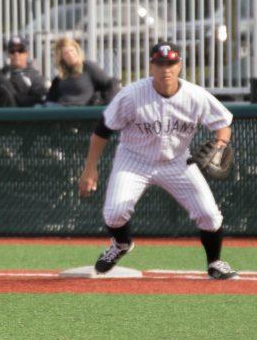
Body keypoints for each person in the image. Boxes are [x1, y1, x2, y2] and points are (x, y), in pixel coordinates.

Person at [78, 41, 238, 280]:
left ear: (180, 65)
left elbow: (223, 123)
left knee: (209, 215)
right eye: (160, 63)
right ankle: (121, 244)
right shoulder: (131, 95)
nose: (166, 69)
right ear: (151, 66)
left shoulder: (195, 95)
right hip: (134, 160)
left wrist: (220, 144)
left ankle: (215, 262)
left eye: (171, 63)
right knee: (114, 213)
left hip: (176, 161)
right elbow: (103, 130)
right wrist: (90, 168)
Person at [46, 38, 119, 106]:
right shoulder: (60, 78)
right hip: (61, 109)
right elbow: (51, 98)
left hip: (81, 112)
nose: (70, 55)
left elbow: (111, 83)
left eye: (72, 51)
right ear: (61, 58)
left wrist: (107, 103)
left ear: (77, 51)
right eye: (66, 53)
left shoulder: (88, 67)